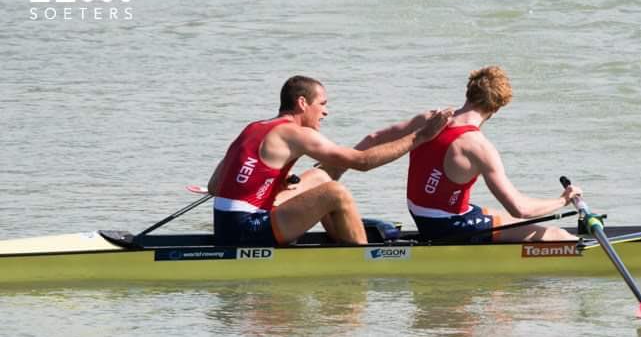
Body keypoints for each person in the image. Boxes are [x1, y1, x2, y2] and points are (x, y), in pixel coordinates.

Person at [340, 66, 582, 242]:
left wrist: (331, 167)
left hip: (421, 214)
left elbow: (374, 138)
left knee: (505, 221)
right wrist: (563, 200)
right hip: (447, 227)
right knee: (558, 236)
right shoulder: (478, 147)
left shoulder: (430, 118)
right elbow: (520, 209)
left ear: (469, 92)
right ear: (496, 108)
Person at [207, 75, 451, 246]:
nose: (326, 111)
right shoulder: (296, 133)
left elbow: (214, 187)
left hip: (229, 223)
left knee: (319, 176)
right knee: (335, 192)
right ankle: (365, 258)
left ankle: (341, 236)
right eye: (322, 104)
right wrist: (422, 136)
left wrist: (268, 185)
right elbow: (362, 162)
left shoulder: (255, 127)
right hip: (246, 232)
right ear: (302, 103)